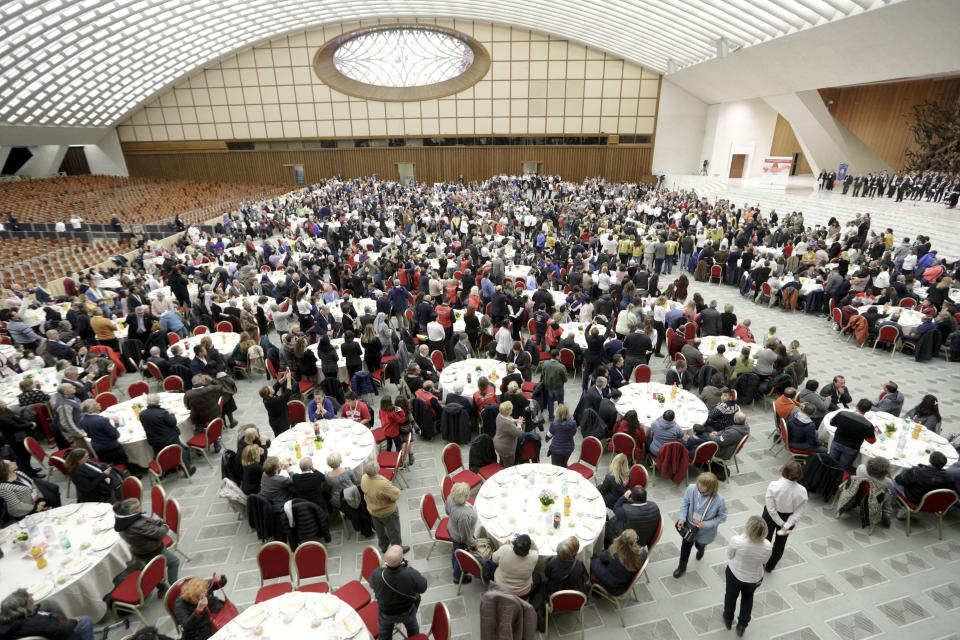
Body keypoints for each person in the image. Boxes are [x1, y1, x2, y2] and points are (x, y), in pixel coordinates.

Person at [113, 498, 181, 586]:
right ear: (132, 511)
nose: (141, 507)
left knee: (151, 572)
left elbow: (147, 521)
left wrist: (157, 523)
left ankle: (161, 587)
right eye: (138, 506)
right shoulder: (138, 524)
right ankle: (173, 587)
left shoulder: (124, 521)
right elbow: (160, 533)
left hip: (138, 551)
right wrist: (165, 526)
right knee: (174, 562)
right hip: (152, 550)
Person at [723, 516, 772, 636]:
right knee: (748, 598)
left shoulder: (737, 540)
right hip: (754, 579)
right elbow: (765, 561)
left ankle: (728, 619)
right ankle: (742, 626)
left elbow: (729, 555)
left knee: (731, 597)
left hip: (735, 574)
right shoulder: (767, 545)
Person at [673, 472, 728, 578]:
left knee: (699, 544)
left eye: (703, 485)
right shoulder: (692, 488)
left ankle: (701, 548)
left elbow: (722, 517)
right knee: (685, 546)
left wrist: (707, 524)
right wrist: (682, 518)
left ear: (711, 488)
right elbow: (685, 502)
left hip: (705, 531)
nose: (699, 486)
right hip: (690, 526)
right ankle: (682, 566)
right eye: (699, 483)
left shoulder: (719, 500)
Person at [369, 545, 427, 640]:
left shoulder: (376, 574)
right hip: (406, 611)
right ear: (401, 562)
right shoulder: (410, 574)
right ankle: (415, 637)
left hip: (385, 612)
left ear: (386, 561)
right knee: (412, 628)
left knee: (384, 632)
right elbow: (423, 587)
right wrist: (410, 568)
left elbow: (372, 585)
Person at [760, 461, 807, 573]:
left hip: (770, 517)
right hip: (788, 519)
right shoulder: (802, 491)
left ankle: (760, 563)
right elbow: (798, 513)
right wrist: (786, 525)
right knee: (780, 545)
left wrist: (780, 522)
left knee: (764, 539)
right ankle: (770, 567)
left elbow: (771, 509)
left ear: (784, 471)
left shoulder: (773, 485)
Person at [0, 588, 94, 640]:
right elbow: (61, 631)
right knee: (85, 620)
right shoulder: (37, 622)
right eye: (28, 596)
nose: (31, 595)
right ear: (23, 606)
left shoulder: (5, 621)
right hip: (58, 635)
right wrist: (73, 621)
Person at [140, 393, 196, 475]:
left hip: (154, 440)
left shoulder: (142, 414)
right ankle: (187, 471)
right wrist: (171, 414)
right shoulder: (162, 413)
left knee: (158, 454)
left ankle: (162, 471)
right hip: (169, 438)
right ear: (158, 402)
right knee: (182, 450)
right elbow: (173, 422)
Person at [361, 460, 405, 553]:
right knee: (394, 531)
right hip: (387, 512)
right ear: (377, 470)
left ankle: (384, 547)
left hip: (373, 511)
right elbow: (396, 494)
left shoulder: (364, 478)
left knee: (380, 531)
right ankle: (397, 549)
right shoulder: (382, 484)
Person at [326, 452, 374, 537]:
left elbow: (329, 489)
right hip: (354, 495)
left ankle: (339, 515)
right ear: (340, 461)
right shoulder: (348, 470)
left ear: (329, 465)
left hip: (340, 500)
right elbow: (355, 482)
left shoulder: (328, 477)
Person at [894, 451, 954, 517]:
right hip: (933, 504)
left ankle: (900, 506)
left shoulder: (917, 471)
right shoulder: (948, 477)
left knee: (894, 480)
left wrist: (907, 473)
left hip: (915, 501)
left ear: (930, 460)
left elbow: (898, 479)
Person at [590, 529, 647, 596]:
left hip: (613, 586)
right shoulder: (643, 554)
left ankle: (593, 587)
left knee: (591, 560)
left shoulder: (613, 553)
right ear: (634, 542)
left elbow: (602, 558)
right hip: (625, 582)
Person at [174, 574, 232, 640]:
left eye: (206, 591)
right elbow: (187, 625)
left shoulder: (203, 586)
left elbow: (220, 583)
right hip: (198, 629)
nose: (207, 594)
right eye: (204, 594)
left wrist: (220, 579)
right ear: (195, 599)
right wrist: (199, 609)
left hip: (215, 617)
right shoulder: (179, 606)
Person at [827, 399, 876, 470]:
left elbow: (832, 423)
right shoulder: (868, 425)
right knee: (843, 467)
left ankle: (826, 474)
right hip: (851, 448)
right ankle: (839, 478)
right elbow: (872, 441)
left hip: (837, 442)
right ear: (868, 410)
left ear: (856, 406)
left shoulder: (842, 414)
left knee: (830, 462)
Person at [444, 481, 477, 584]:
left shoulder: (450, 497)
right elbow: (465, 537)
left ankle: (455, 566)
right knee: (459, 556)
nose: (469, 494)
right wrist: (474, 544)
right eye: (467, 494)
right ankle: (457, 577)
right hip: (458, 537)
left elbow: (447, 512)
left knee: (455, 551)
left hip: (451, 529)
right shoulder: (464, 515)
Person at [78, 398, 128, 465]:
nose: (99, 404)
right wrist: (116, 424)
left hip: (97, 448)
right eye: (96, 404)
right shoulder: (102, 420)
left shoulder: (82, 420)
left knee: (106, 465)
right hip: (111, 447)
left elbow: (89, 434)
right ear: (92, 410)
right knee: (122, 462)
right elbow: (116, 435)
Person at [259, 370, 294, 435]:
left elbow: (277, 385)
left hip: (276, 420)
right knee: (283, 436)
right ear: (269, 394)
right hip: (280, 424)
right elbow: (288, 393)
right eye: (271, 388)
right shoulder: (273, 401)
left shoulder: (266, 396)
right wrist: (288, 379)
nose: (273, 388)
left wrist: (284, 378)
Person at [493, 400, 523, 466]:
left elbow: (508, 418)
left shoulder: (499, 415)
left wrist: (515, 420)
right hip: (506, 448)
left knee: (502, 461)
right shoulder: (508, 424)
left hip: (499, 443)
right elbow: (518, 433)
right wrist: (519, 424)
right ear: (509, 411)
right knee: (509, 466)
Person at [547, 403, 577, 467]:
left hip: (556, 450)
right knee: (564, 464)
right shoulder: (573, 423)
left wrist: (547, 439)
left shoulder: (554, 424)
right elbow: (573, 433)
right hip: (569, 449)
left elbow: (548, 436)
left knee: (555, 467)